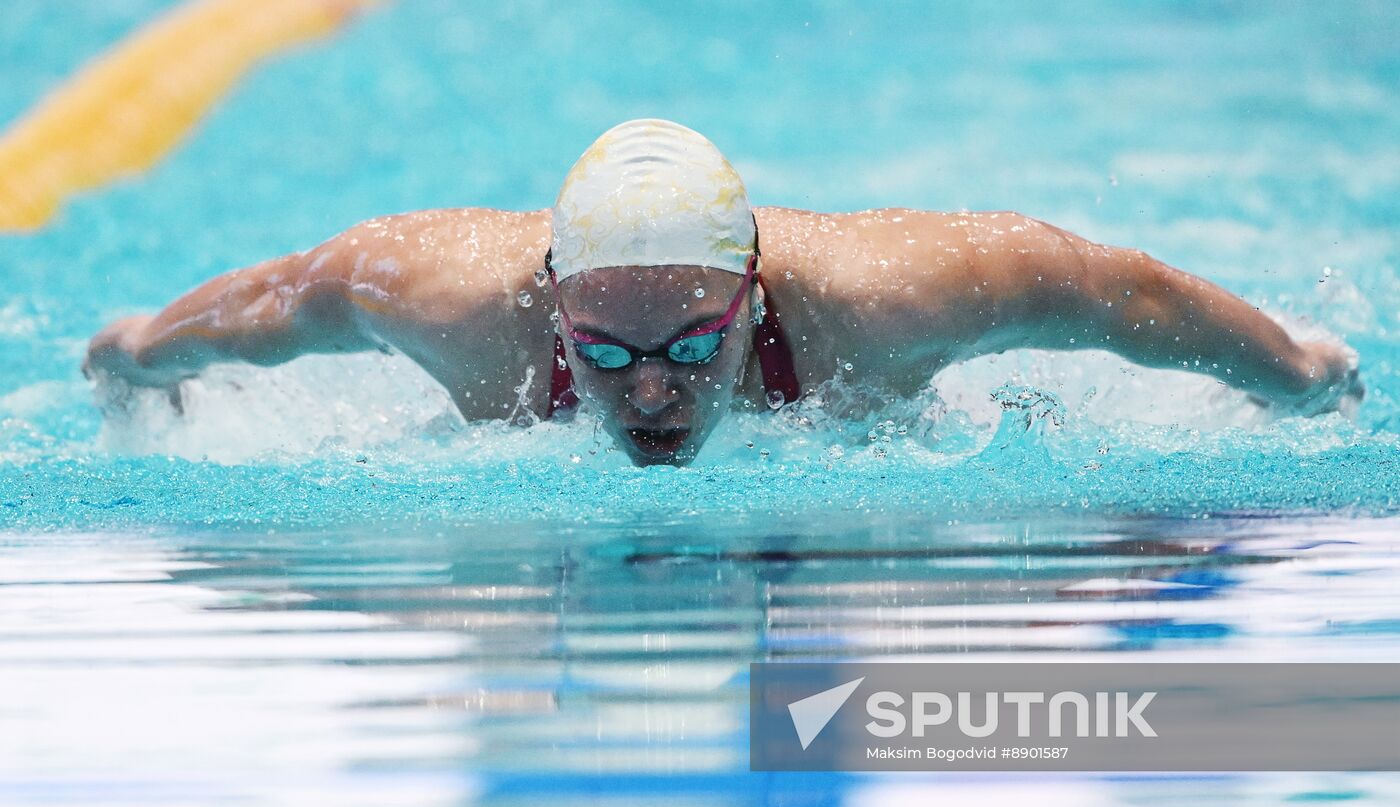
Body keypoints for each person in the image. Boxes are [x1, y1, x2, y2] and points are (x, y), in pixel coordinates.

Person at [84, 119, 1362, 466]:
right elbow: (288, 298)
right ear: (551, 301)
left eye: (692, 344)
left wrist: (1294, 369)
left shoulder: (887, 296)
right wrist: (138, 352)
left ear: (751, 293)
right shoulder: (446, 299)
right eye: (603, 351)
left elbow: (1105, 289)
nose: (648, 390)